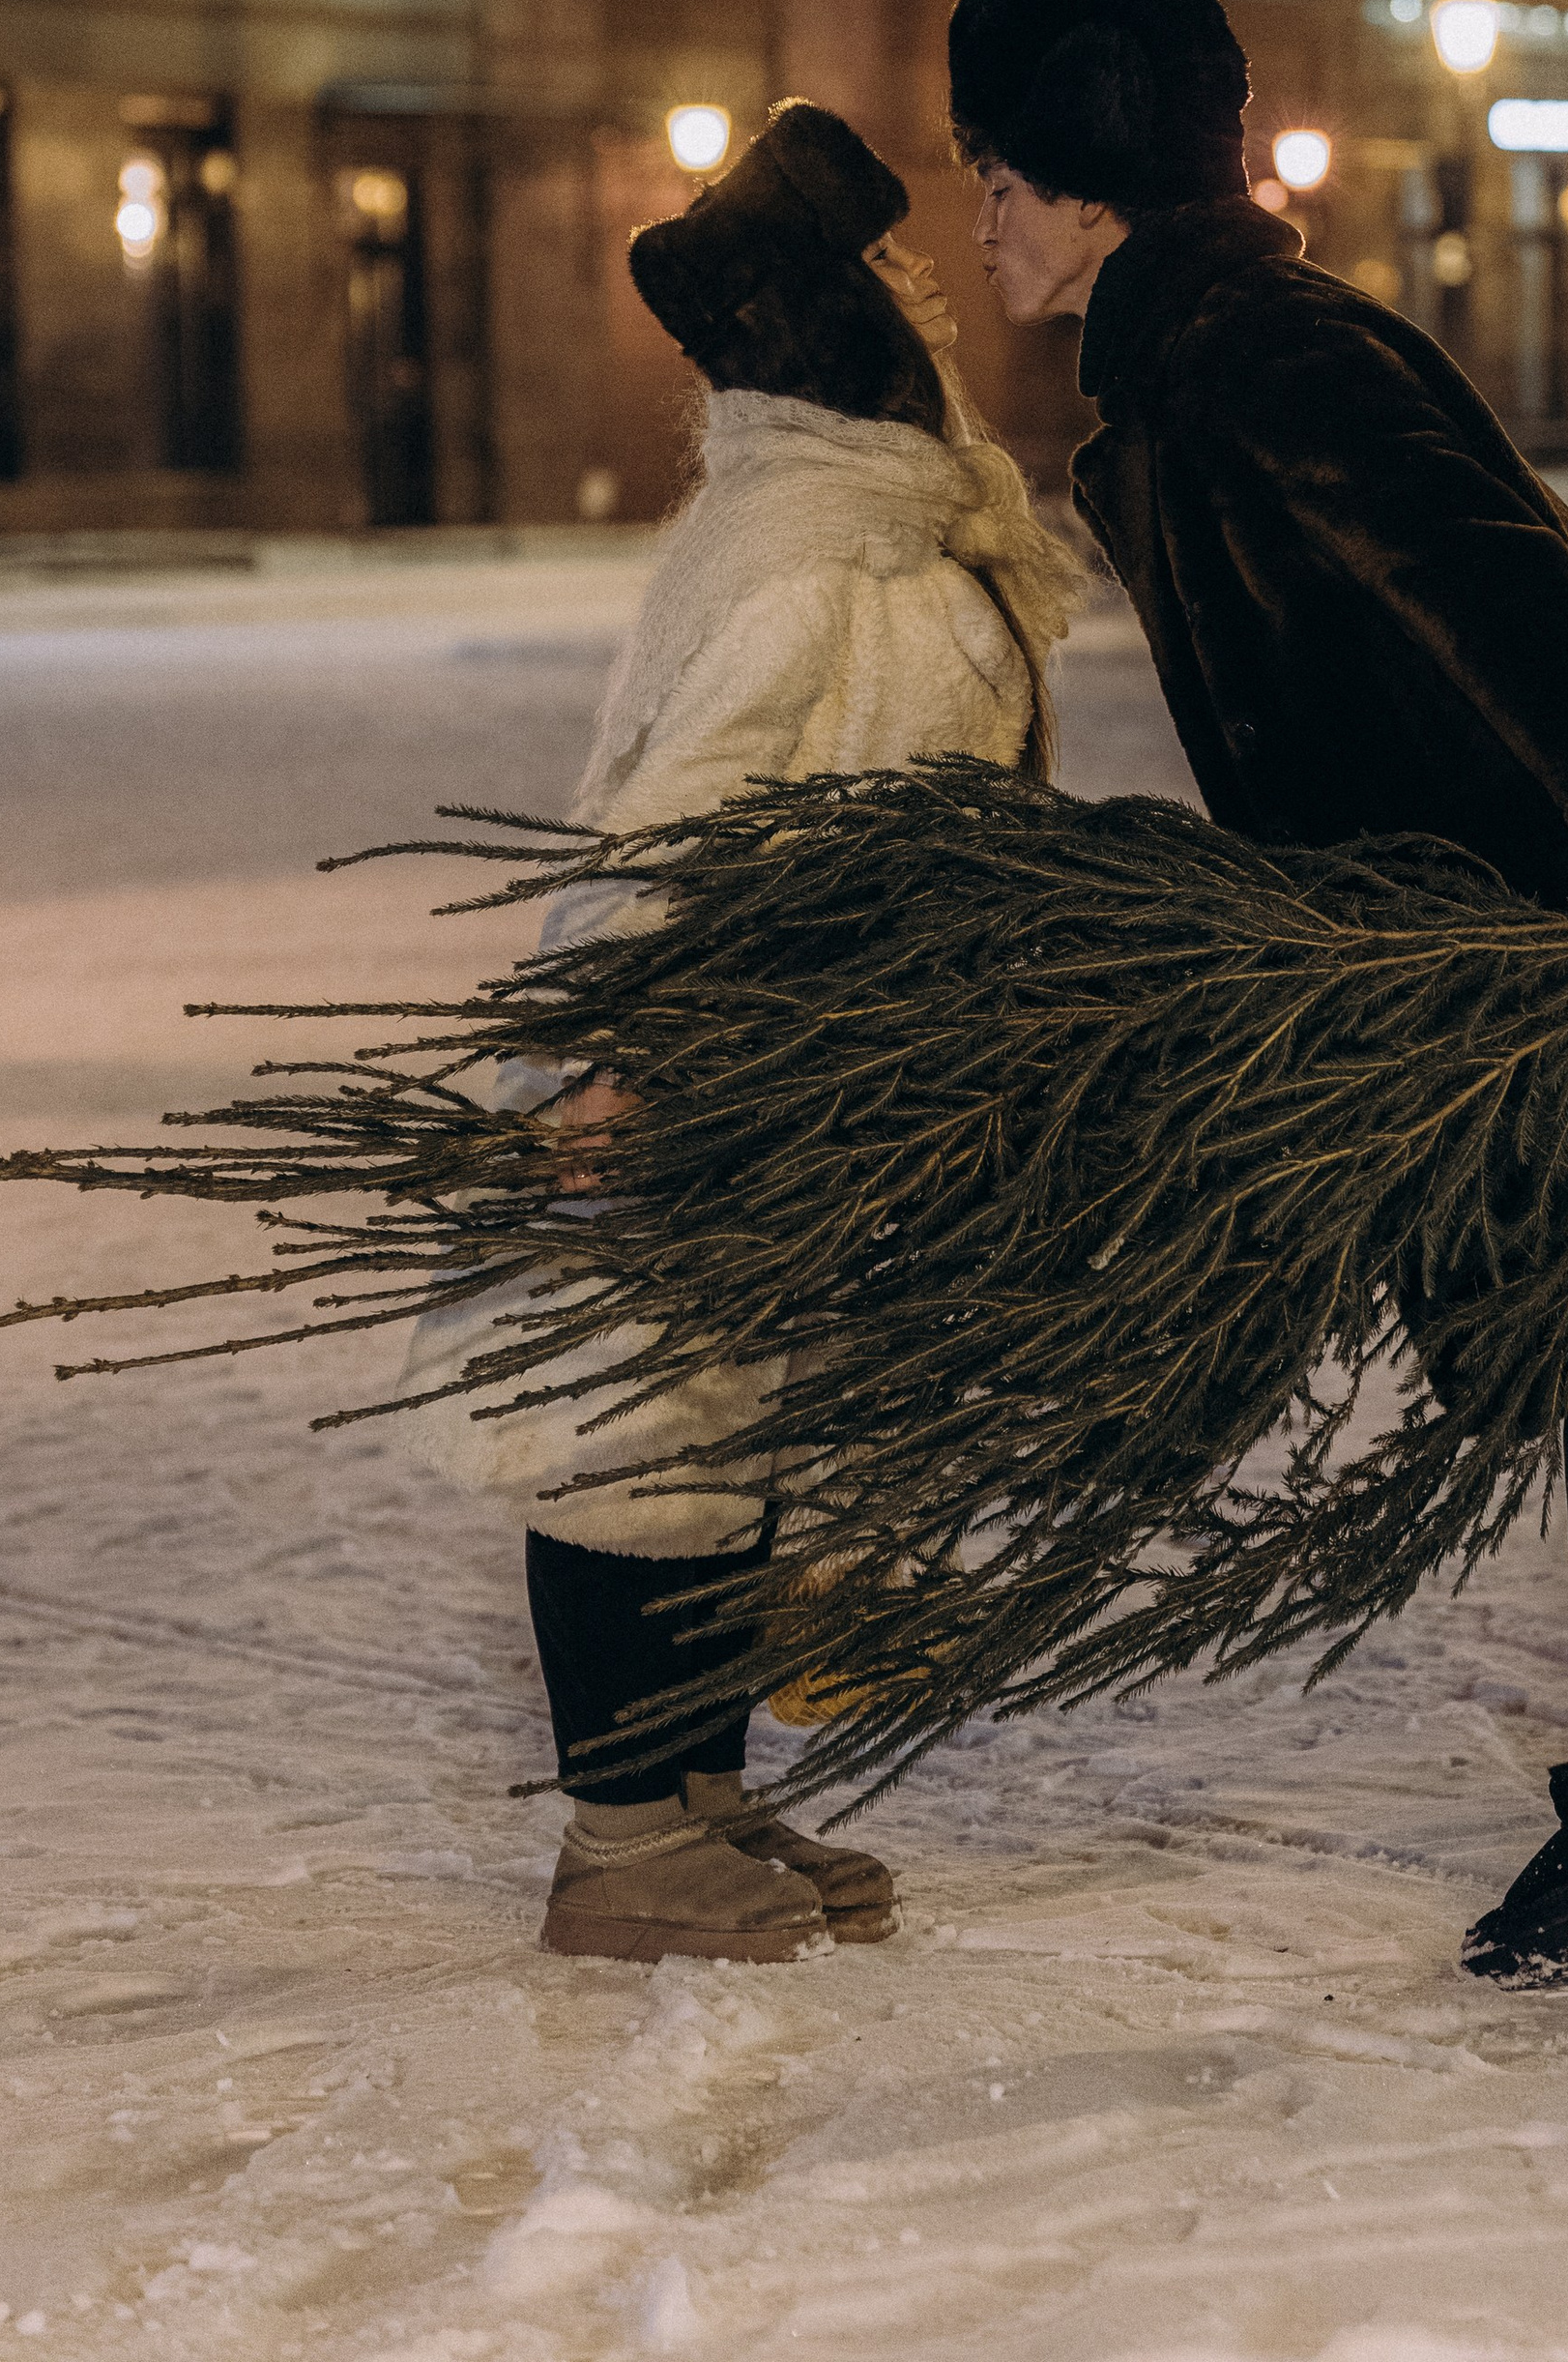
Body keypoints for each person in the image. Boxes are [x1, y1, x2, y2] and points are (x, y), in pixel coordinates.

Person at [942, 0, 1568, 1984]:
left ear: (1088, 191)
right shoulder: (1191, 355)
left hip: (1557, 884)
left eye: (995, 184)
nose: (979, 225)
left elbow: (1471, 565)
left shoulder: (1246, 346)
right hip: (1483, 901)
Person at [403, 100, 1078, 1967]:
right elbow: (689, 833)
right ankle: (622, 1843)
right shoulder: (823, 558)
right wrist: (628, 1050)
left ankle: (694, 1798)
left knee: (738, 1423)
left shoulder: (857, 527)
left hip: (808, 1062)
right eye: (895, 291)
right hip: (713, 1056)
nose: (928, 311)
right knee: (643, 1418)